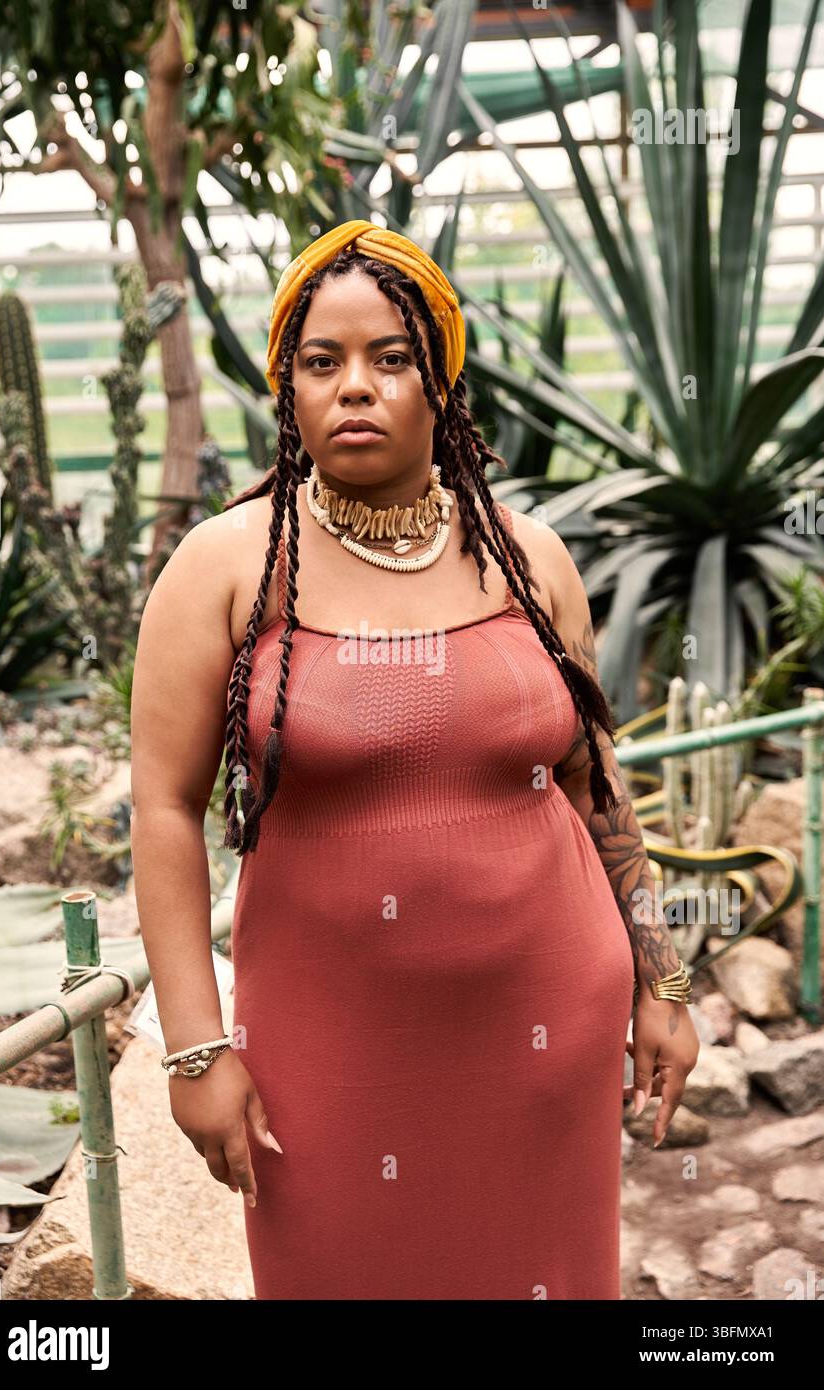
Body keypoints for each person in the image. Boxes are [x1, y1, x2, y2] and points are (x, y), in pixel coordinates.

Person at [130, 219, 700, 1300]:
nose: (356, 386)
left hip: (543, 1028)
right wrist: (195, 1048)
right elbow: (162, 808)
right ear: (285, 388)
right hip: (329, 1053)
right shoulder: (222, 567)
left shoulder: (528, 559)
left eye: (391, 358)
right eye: (321, 361)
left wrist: (659, 979)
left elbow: (594, 788)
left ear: (440, 384)